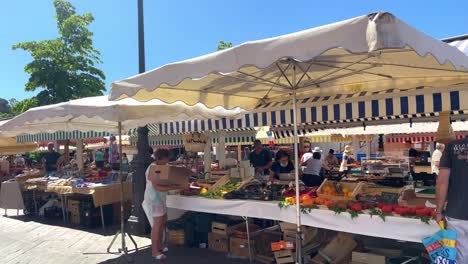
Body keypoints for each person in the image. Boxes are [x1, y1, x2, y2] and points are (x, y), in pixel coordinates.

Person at [142, 149, 184, 261]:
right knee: (157, 225)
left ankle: (159, 246)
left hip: (160, 198)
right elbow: (157, 187)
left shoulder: (159, 166)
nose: (167, 162)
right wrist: (175, 186)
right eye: (166, 160)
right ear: (160, 158)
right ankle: (154, 251)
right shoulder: (153, 168)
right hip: (154, 199)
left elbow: (162, 182)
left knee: (162, 222)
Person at [436, 137, 468, 263]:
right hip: (456, 215)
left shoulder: (451, 146)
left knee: (459, 257)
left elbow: (442, 181)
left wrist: (439, 211)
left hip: (456, 213)